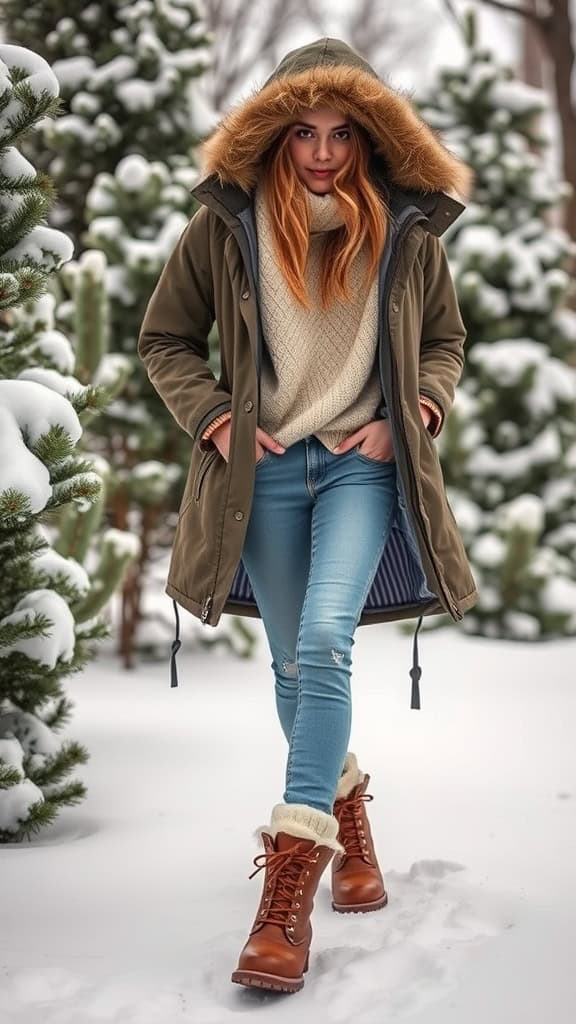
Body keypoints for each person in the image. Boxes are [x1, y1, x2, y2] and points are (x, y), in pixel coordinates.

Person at [138, 37, 478, 995]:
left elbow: (445, 341)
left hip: (361, 468)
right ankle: (350, 815)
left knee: (325, 641)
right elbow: (166, 337)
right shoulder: (226, 225)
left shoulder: (407, 229)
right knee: (292, 664)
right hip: (269, 472)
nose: (323, 153)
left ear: (369, 135)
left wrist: (415, 408)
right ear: (276, 135)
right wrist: (212, 417)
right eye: (303, 132)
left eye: (341, 133)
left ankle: (285, 895)